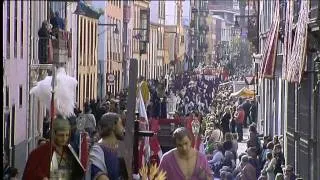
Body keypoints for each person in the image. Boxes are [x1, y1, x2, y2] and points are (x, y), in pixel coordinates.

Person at [89, 112, 128, 180]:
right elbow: (100, 176)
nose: (123, 128)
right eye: (121, 124)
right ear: (113, 126)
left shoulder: (121, 148)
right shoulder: (97, 150)